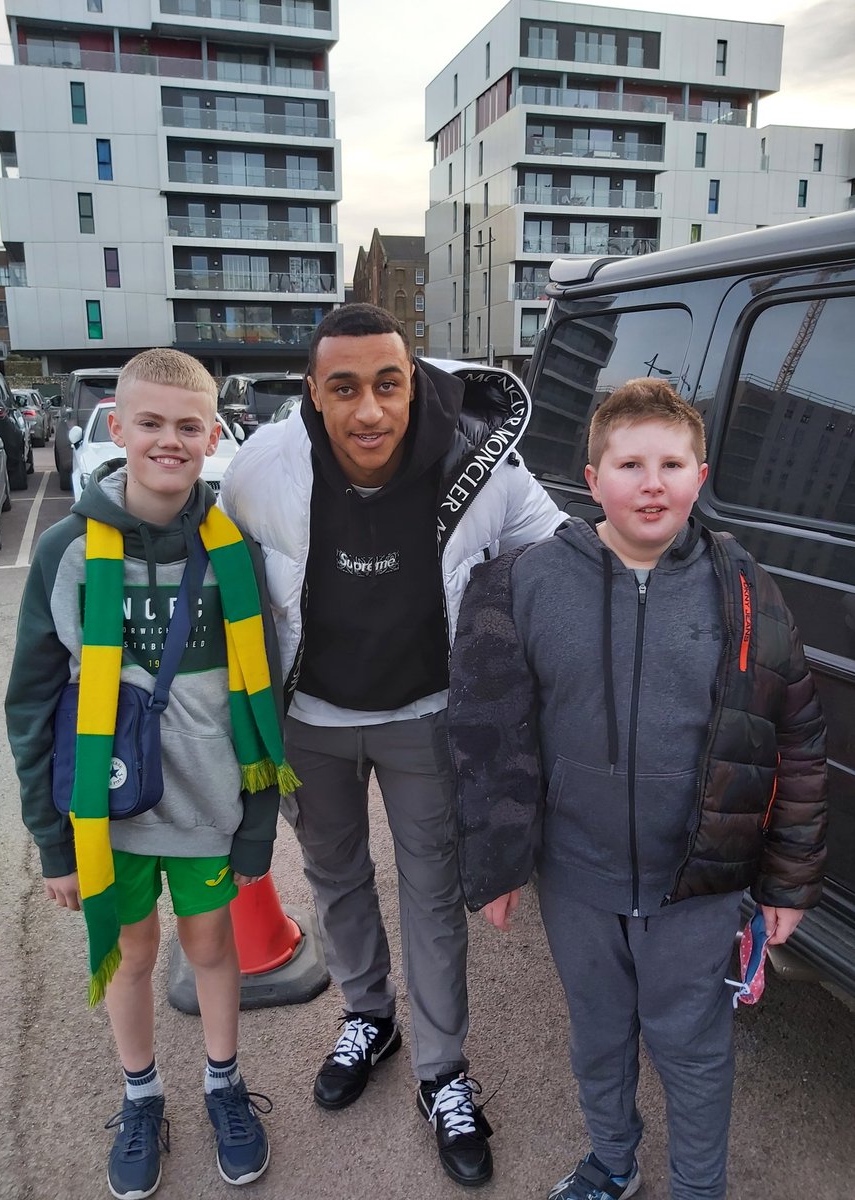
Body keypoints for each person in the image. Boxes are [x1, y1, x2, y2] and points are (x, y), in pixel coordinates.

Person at [447, 379, 828, 1200]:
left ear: (701, 474)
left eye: (670, 463)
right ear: (592, 479)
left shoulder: (748, 590)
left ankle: (698, 1186)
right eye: (629, 464)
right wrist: (498, 863)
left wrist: (787, 879)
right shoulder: (526, 582)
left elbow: (795, 734)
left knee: (692, 1048)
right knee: (598, 1037)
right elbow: (489, 736)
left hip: (697, 881)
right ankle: (612, 1161)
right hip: (576, 877)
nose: (650, 483)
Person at [219, 303, 563, 1187]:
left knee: (433, 890)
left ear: (412, 383)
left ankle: (442, 1069)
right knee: (334, 875)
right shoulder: (261, 472)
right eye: (344, 389)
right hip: (311, 718)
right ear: (312, 395)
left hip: (428, 711)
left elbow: (560, 551)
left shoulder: (478, 462)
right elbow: (221, 577)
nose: (369, 410)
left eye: (387, 384)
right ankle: (368, 1016)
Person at [5, 349, 297, 1199]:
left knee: (210, 946)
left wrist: (257, 822)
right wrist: (52, 842)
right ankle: (141, 1096)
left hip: (209, 808)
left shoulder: (234, 551)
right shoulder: (66, 549)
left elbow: (264, 695)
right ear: (118, 427)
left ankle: (222, 1083)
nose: (169, 440)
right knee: (132, 955)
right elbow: (30, 702)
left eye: (188, 426)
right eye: (150, 423)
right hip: (110, 814)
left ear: (214, 436)